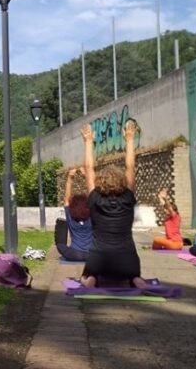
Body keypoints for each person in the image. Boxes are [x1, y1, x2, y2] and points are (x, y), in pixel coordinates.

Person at [79, 122, 148, 289]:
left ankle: (91, 279)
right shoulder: (127, 197)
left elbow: (88, 169)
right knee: (134, 276)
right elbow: (130, 167)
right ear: (122, 181)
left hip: (99, 258)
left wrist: (88, 141)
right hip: (127, 259)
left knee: (86, 275)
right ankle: (136, 280)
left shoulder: (95, 197)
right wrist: (130, 139)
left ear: (99, 182)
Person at [55, 168, 92, 262]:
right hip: (91, 255)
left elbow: (66, 199)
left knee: (60, 245)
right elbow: (92, 195)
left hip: (74, 254)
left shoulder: (70, 216)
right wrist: (86, 176)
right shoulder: (92, 214)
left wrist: (70, 178)